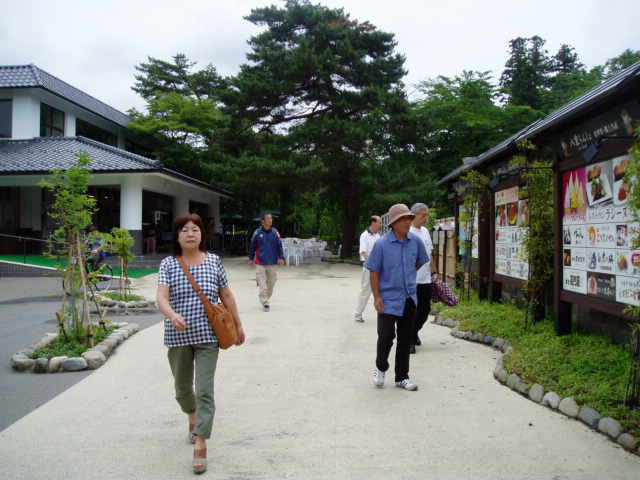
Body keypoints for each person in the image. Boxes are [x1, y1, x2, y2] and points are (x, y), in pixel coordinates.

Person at [156, 213, 245, 474]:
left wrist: (238, 325)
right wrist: (172, 315)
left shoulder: (214, 261)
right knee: (182, 389)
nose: (190, 233)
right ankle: (193, 416)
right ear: (177, 236)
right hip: (178, 337)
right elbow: (161, 297)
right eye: (184, 229)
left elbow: (226, 295)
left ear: (202, 234)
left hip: (208, 337)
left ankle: (201, 442)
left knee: (204, 389)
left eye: (195, 229)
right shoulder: (168, 264)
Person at [366, 204, 428, 391]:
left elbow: (419, 262)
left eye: (409, 218)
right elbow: (374, 272)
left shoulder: (416, 242)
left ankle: (402, 377)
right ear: (393, 223)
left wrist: (406, 276)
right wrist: (377, 296)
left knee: (405, 338)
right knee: (386, 336)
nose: (408, 222)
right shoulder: (382, 244)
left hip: (409, 297)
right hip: (387, 298)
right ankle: (380, 368)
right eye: (403, 219)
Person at [409, 203, 437, 354]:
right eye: (423, 215)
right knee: (411, 311)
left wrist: (434, 271)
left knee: (425, 310)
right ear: (413, 215)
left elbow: (429, 253)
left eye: (427, 215)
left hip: (426, 279)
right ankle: (409, 340)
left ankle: (413, 332)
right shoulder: (408, 232)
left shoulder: (425, 231)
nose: (426, 218)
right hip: (412, 280)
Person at [248, 213, 285, 311]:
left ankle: (265, 297)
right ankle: (265, 302)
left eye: (271, 218)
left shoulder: (275, 232)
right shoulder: (257, 233)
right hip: (260, 263)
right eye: (268, 219)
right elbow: (252, 246)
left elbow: (279, 245)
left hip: (272, 262)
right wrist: (251, 258)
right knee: (263, 285)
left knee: (271, 283)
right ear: (263, 221)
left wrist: (281, 257)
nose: (270, 220)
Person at [354, 215, 382, 322]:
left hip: (379, 268)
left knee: (381, 290)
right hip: (369, 268)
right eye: (379, 222)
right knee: (365, 291)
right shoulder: (364, 235)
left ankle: (383, 313)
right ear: (373, 223)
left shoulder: (378, 236)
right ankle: (358, 315)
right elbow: (363, 252)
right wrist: (372, 264)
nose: (381, 225)